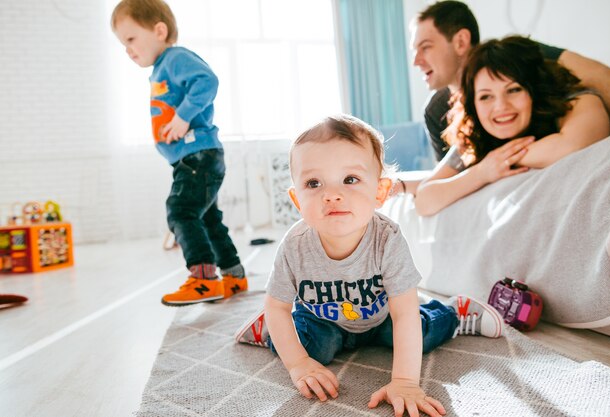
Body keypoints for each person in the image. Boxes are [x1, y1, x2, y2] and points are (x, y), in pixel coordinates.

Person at [234, 114, 504, 417]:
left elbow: (403, 313)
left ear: (380, 192)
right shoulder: (295, 245)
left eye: (350, 180)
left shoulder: (387, 239)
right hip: (323, 322)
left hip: (382, 317)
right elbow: (278, 306)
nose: (332, 194)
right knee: (309, 350)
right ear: (297, 200)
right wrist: (298, 365)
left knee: (420, 335)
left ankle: (455, 312)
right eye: (314, 183)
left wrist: (404, 381)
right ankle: (268, 331)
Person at [394, 0, 610, 196]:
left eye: (425, 48)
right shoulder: (437, 112)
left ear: (461, 42)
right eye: (485, 97)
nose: (416, 61)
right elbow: (449, 176)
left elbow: (605, 79)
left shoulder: (525, 58)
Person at [111, 0, 247, 306]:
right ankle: (234, 275)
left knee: (181, 211)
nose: (128, 50)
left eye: (131, 39)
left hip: (198, 155)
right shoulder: (162, 67)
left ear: (159, 30)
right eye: (123, 44)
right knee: (207, 219)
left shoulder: (174, 58)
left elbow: (207, 80)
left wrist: (183, 117)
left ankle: (203, 279)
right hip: (194, 157)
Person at [414, 36, 610, 216]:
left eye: (514, 90)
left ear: (533, 90)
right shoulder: (475, 134)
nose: (501, 107)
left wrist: (503, 160)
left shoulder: (577, 101)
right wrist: (482, 172)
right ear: (473, 104)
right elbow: (424, 199)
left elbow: (573, 145)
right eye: (485, 96)